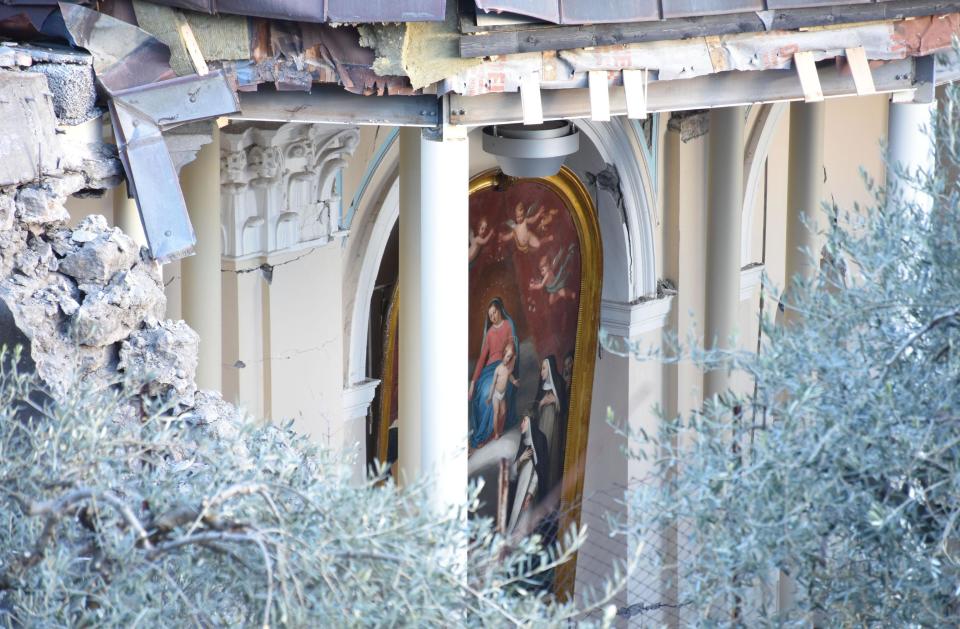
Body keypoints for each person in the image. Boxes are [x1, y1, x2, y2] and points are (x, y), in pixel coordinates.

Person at [469, 298, 519, 448]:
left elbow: (512, 346)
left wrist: (508, 363)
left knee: (495, 389)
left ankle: (490, 434)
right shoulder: (490, 333)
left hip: (504, 365)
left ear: (500, 310)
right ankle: (484, 434)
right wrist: (472, 383)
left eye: (494, 312)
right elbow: (482, 359)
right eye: (490, 315)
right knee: (482, 391)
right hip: (490, 369)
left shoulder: (509, 325)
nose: (492, 317)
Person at [507, 410, 549, 538]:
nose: (521, 425)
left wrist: (530, 494)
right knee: (515, 518)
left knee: (526, 522)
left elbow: (540, 472)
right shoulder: (523, 442)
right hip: (519, 490)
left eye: (524, 421)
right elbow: (512, 472)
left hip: (531, 494)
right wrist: (521, 459)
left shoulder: (540, 440)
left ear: (530, 422)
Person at [536, 355, 567, 494]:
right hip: (542, 426)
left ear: (549, 369)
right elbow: (535, 408)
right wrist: (541, 403)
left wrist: (556, 400)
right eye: (541, 369)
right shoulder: (541, 387)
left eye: (543, 369)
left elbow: (564, 408)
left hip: (554, 430)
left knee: (551, 455)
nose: (541, 372)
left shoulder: (558, 383)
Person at [487, 342, 519, 440]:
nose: (507, 359)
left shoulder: (508, 369)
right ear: (503, 355)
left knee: (504, 412)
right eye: (506, 356)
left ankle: (499, 429)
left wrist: (514, 381)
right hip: (496, 395)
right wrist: (489, 397)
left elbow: (510, 376)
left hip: (503, 395)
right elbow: (493, 384)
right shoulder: (498, 369)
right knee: (496, 413)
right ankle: (496, 433)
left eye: (509, 357)